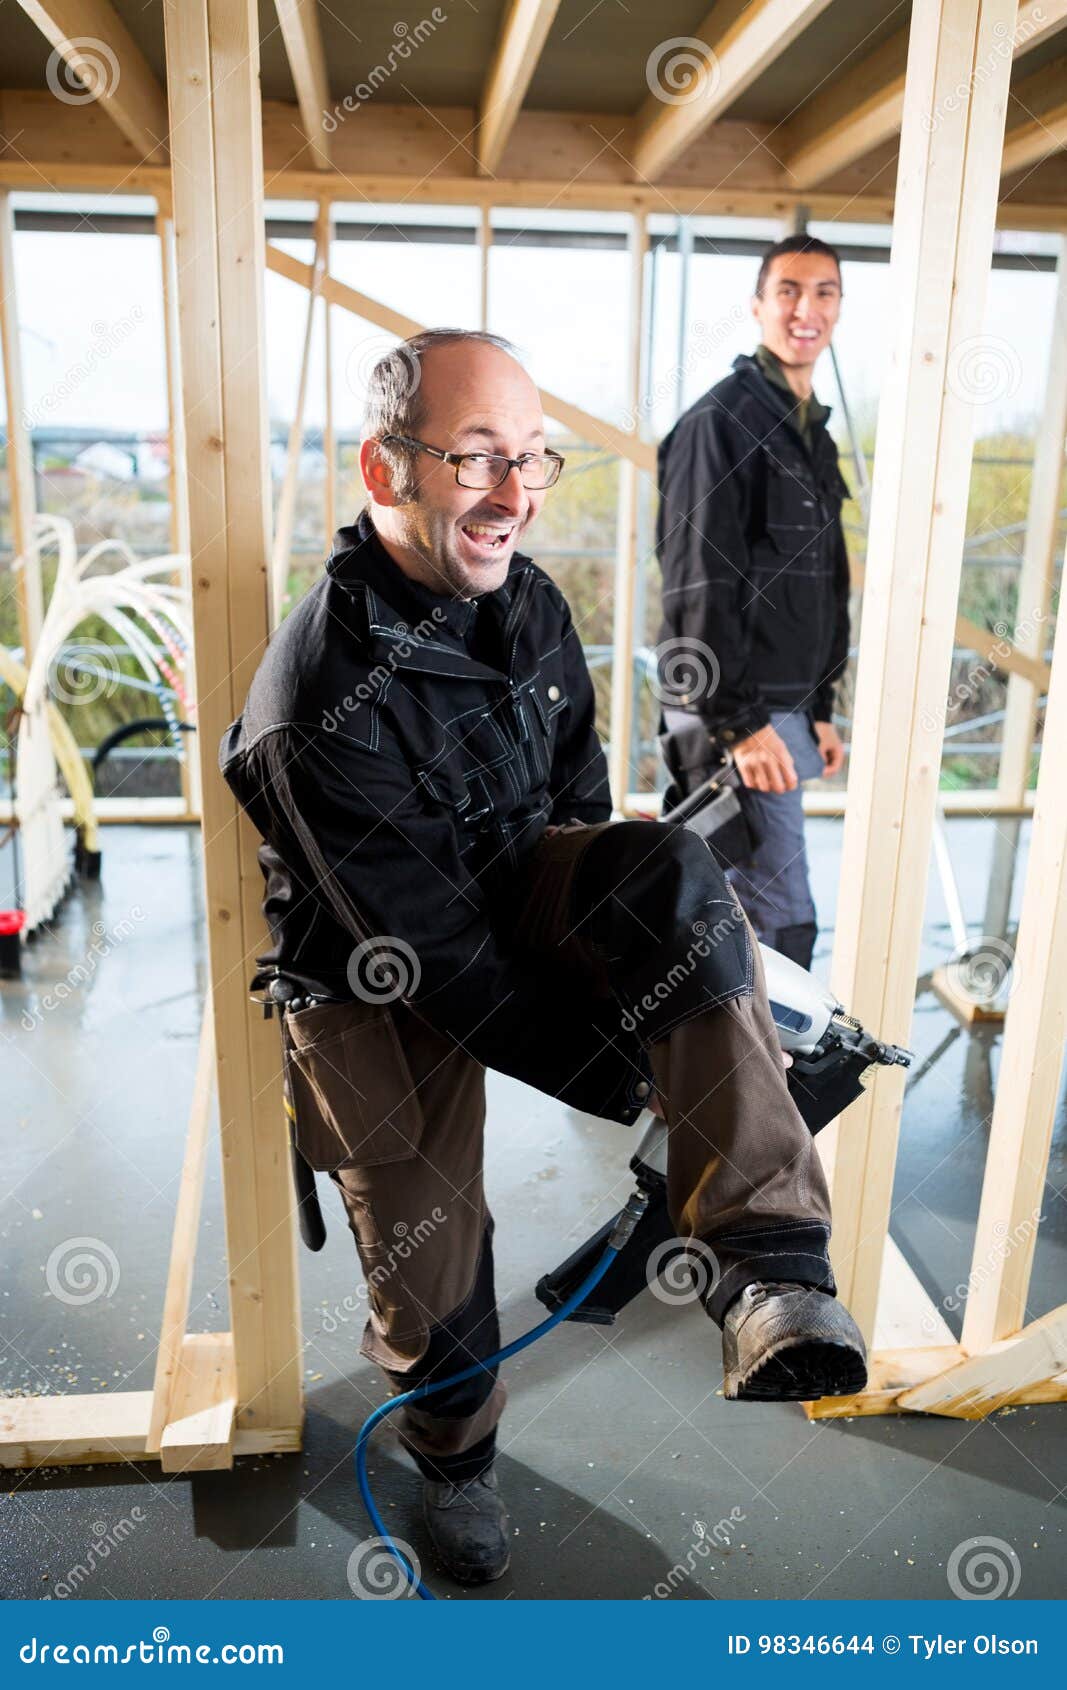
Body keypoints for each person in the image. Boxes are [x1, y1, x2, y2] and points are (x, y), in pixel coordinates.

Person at [220, 328, 865, 1588]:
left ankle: (772, 1267)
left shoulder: (529, 603)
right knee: (428, 1246)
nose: (512, 495)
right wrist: (634, 1075)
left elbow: (580, 812)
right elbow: (440, 967)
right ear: (383, 469)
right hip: (370, 970)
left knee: (671, 871)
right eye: (473, 459)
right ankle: (454, 1459)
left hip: (500, 885)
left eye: (529, 459)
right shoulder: (314, 700)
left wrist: (672, 988)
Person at [656, 234, 852, 971]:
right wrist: (738, 726)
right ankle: (746, 1085)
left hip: (784, 707)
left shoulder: (810, 434)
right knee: (774, 918)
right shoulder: (722, 423)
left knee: (749, 910)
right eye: (789, 291)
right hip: (733, 711)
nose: (807, 308)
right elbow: (695, 582)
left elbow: (825, 583)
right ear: (758, 306)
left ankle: (730, 1081)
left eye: (824, 292)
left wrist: (821, 705)